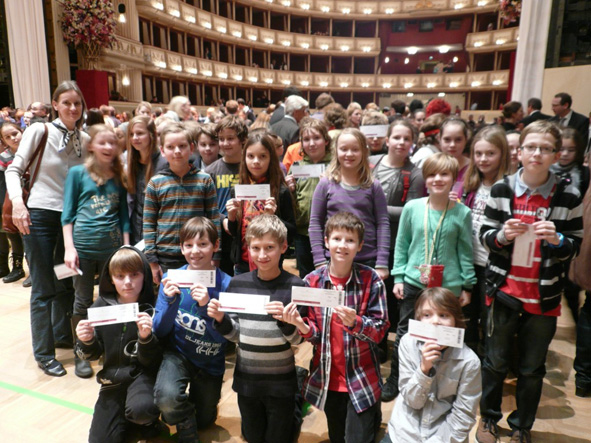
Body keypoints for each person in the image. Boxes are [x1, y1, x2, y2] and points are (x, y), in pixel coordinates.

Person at [476, 120, 583, 443]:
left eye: (546, 148)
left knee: (532, 368)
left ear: (556, 155)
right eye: (531, 147)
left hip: (544, 295)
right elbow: (485, 237)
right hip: (504, 289)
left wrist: (558, 239)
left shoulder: (568, 195)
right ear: (519, 152)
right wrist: (502, 236)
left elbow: (574, 246)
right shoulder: (502, 189)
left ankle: (522, 425)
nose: (537, 154)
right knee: (495, 362)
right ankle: (488, 419)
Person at [282, 211, 389, 443]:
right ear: (326, 241)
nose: (342, 245)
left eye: (350, 240)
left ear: (360, 246)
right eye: (337, 238)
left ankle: (373, 414)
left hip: (362, 377)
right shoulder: (312, 281)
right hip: (327, 377)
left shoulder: (371, 280)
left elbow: (380, 331)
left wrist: (356, 322)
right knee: (337, 437)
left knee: (358, 439)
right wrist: (300, 324)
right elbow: (315, 335)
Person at [6, 80, 89, 377]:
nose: (72, 108)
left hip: (70, 221)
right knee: (42, 287)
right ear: (55, 105)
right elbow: (14, 170)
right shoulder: (39, 131)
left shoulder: (85, 139)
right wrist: (18, 203)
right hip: (40, 217)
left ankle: (62, 334)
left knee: (65, 280)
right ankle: (43, 353)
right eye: (66, 102)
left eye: (77, 103)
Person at [383, 153, 476, 402]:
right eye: (432, 174)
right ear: (425, 178)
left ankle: (441, 384)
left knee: (445, 336)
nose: (438, 179)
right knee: (405, 332)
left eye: (444, 174)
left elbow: (465, 252)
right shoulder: (413, 208)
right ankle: (397, 378)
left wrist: (467, 285)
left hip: (448, 288)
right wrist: (399, 277)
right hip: (414, 282)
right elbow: (402, 244)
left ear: (453, 178)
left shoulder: (462, 213)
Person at [207, 214, 305, 443]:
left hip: (281, 382)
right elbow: (236, 336)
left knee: (279, 438)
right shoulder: (237, 284)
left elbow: (298, 341)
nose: (262, 255)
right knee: (252, 436)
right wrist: (220, 318)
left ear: (283, 247)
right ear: (248, 248)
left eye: (269, 247)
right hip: (247, 381)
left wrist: (286, 321)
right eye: (256, 248)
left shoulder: (295, 286)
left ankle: (297, 399)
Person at [153, 217, 231, 442]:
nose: (195, 251)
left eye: (203, 244)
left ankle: (198, 408)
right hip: (177, 354)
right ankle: (185, 421)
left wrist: (206, 307)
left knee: (205, 421)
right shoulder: (171, 278)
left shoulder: (226, 284)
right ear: (181, 248)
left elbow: (224, 339)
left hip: (210, 360)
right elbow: (159, 330)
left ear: (216, 245)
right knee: (167, 402)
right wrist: (169, 301)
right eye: (188, 245)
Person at [62, 124, 130, 378]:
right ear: (91, 145)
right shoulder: (77, 173)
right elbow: (67, 214)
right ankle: (82, 350)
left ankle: (105, 347)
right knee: (82, 300)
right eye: (102, 142)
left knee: (109, 298)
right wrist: (69, 248)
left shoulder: (119, 175)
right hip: (82, 248)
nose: (108, 147)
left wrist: (125, 247)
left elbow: (123, 216)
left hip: (112, 249)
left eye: (112, 143)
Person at [75, 246, 162, 443]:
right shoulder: (100, 306)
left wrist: (146, 338)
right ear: (111, 279)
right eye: (120, 276)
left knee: (142, 409)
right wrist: (86, 341)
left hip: (143, 376)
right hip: (112, 381)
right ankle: (126, 418)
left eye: (134, 275)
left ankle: (145, 422)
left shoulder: (155, 307)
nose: (128, 282)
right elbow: (91, 354)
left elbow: (155, 361)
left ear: (145, 275)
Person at [382, 287, 481, 443]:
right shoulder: (408, 343)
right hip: (405, 433)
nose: (435, 321)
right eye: (427, 315)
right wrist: (423, 369)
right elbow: (412, 400)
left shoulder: (469, 361)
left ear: (455, 321)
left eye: (444, 315)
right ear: (419, 320)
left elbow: (463, 416)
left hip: (443, 436)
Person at [370, 119, 425, 396]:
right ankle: (376, 345)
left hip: (396, 244)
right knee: (372, 298)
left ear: (412, 143)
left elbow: (411, 211)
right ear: (387, 139)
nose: (401, 142)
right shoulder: (372, 163)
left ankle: (392, 353)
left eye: (407, 138)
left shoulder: (415, 173)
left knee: (392, 300)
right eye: (397, 137)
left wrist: (372, 206)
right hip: (368, 241)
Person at [143, 123, 221, 284]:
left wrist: (216, 254)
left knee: (200, 296)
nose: (177, 151)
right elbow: (149, 224)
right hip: (166, 257)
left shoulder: (204, 180)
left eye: (182, 146)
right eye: (170, 147)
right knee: (170, 296)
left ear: (191, 148)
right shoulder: (155, 183)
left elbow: (213, 218)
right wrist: (152, 261)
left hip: (199, 254)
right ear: (162, 151)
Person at [309, 128, 390, 281]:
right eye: (344, 149)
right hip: (334, 258)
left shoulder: (373, 186)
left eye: (355, 149)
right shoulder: (325, 184)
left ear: (364, 152)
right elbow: (315, 223)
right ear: (336, 151)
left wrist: (382, 262)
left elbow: (382, 224)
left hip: (367, 259)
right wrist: (319, 259)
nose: (349, 154)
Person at [461, 126, 511, 354]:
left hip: (494, 263)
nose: (483, 159)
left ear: (502, 154)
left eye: (490, 153)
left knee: (489, 318)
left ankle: (487, 361)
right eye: (478, 153)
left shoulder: (509, 187)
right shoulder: (469, 185)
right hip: (468, 261)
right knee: (466, 315)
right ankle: (469, 360)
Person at [226, 131, 295, 274]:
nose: (256, 161)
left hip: (270, 263)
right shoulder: (238, 191)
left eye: (262, 156)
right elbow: (234, 233)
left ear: (271, 159)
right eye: (250, 156)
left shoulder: (281, 191)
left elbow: (291, 233)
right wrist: (231, 217)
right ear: (244, 158)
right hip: (243, 264)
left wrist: (273, 217)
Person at [286, 118, 332, 278]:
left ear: (326, 141)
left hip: (329, 231)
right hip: (302, 232)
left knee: (329, 275)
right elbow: (291, 202)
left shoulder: (334, 166)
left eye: (316, 138)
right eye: (306, 139)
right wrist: (290, 190)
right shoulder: (296, 167)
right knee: (307, 276)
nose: (311, 143)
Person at [205, 115, 249, 276]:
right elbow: (207, 206)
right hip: (221, 232)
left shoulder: (251, 167)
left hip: (246, 232)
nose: (225, 143)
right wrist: (223, 219)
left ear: (242, 139)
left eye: (230, 138)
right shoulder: (211, 171)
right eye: (221, 139)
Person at [126, 115, 168, 245]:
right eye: (131, 134)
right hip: (135, 232)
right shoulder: (131, 163)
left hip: (157, 235)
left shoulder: (164, 164)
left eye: (140, 133)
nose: (135, 138)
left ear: (152, 135)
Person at [0, 122, 25, 283]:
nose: (13, 138)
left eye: (15, 134)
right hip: (12, 201)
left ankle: (36, 271)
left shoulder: (32, 151)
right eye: (7, 137)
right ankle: (17, 267)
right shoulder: (4, 157)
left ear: (21, 131)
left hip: (34, 199)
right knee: (12, 234)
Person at [439, 117, 471, 198]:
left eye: (458, 140)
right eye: (447, 139)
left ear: (466, 140)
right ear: (439, 139)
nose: (452, 145)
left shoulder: (473, 168)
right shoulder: (432, 166)